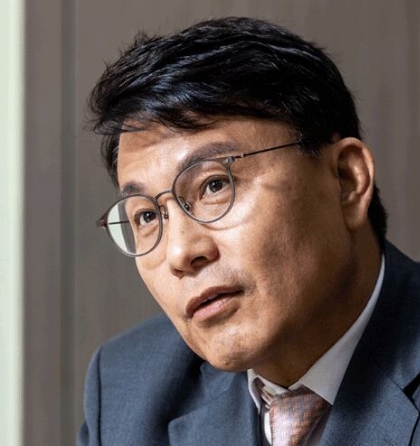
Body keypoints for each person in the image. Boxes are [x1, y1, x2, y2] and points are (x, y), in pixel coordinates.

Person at [78, 17, 420, 446]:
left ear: (346, 180)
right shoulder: (126, 388)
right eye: (147, 217)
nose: (180, 252)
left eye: (214, 185)